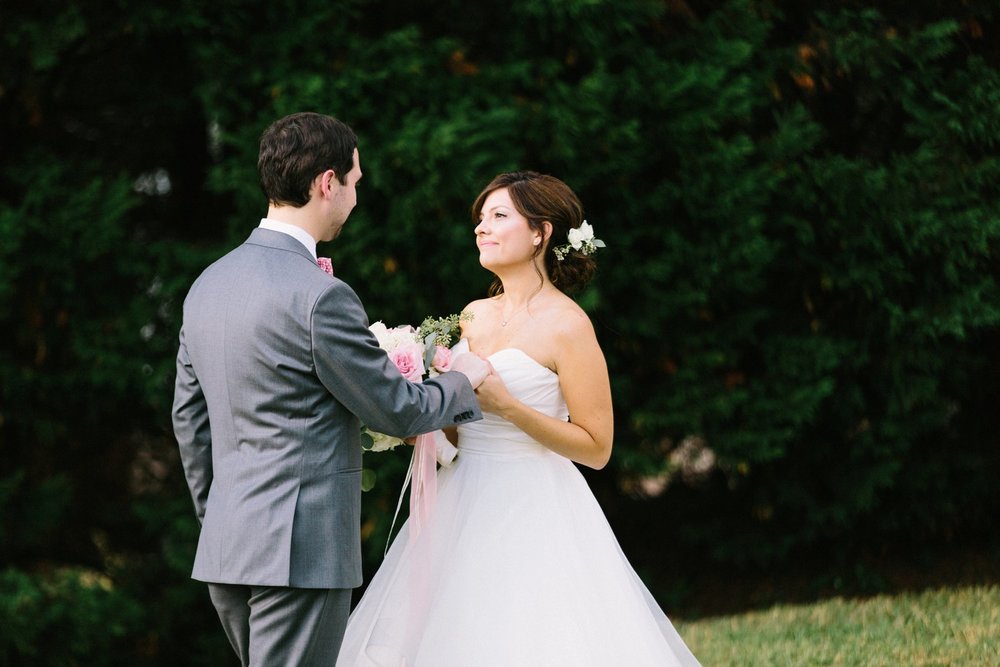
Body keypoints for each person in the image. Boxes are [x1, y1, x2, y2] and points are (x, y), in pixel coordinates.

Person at [337, 171, 701, 665]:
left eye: (499, 216)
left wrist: (510, 407)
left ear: (541, 232)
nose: (481, 228)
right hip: (459, 500)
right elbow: (459, 430)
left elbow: (597, 447)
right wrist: (415, 419)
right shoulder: (472, 315)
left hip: (533, 502)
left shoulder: (568, 325)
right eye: (480, 218)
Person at [171, 112, 491, 666]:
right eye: (354, 184)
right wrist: (466, 379)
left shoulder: (206, 286)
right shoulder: (321, 296)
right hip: (300, 552)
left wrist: (220, 516)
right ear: (326, 182)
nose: (355, 199)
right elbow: (398, 409)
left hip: (228, 547)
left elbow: (188, 420)